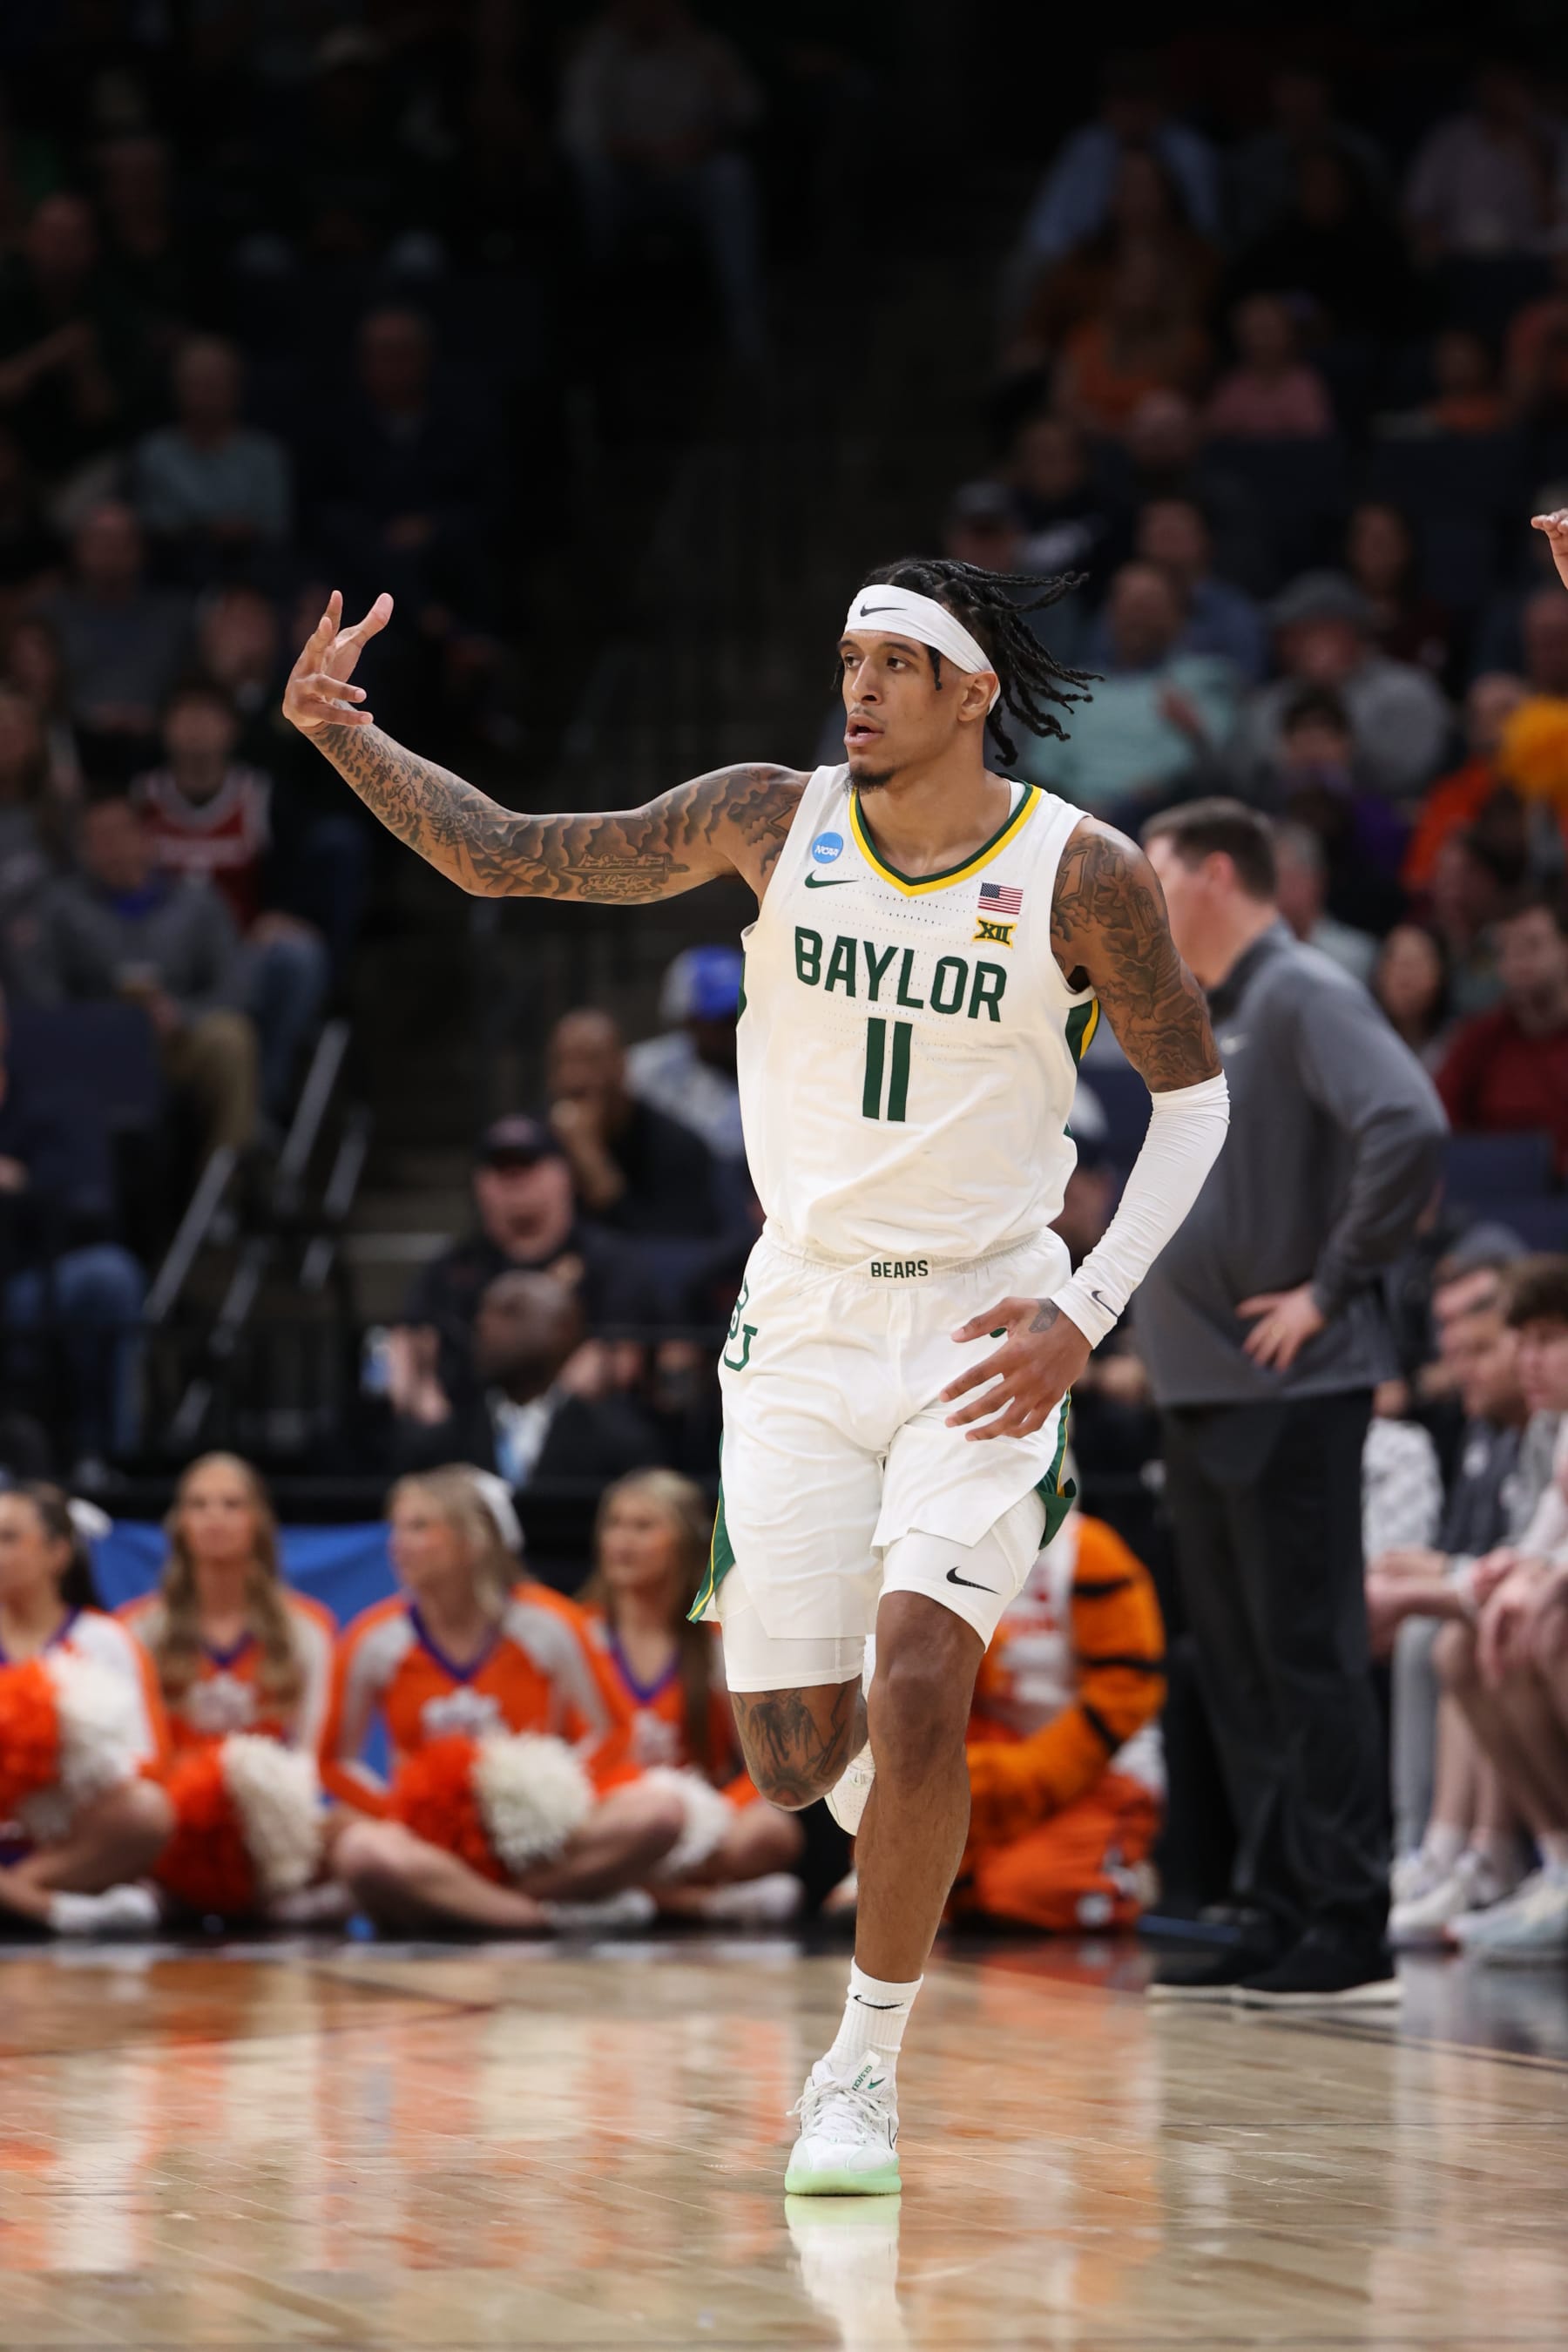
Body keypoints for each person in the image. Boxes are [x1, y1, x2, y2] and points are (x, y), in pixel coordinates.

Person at [281, 547, 1230, 2194]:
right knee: (794, 1758)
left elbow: (1196, 1101)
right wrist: (344, 737)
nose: (856, 687)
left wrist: (1088, 1313)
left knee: (922, 1679)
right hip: (798, 1322)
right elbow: (507, 854)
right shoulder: (766, 818)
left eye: (892, 664)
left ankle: (861, 2067)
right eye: (847, 658)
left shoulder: (1082, 871)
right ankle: (909, 1818)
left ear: (971, 692)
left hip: (986, 1326)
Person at [1137, 798, 1446, 2004]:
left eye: (1157, 871)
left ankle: (1348, 1920)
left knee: (1306, 1658)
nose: (1140, 893)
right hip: (1204, 1385)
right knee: (1238, 1664)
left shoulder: (1302, 990)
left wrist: (1329, 1288)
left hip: (1290, 1383)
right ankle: (1275, 1904)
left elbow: (1407, 1122)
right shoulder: (1206, 1003)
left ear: (1219, 874)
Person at [325, 1465, 684, 1931]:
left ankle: (463, 1904)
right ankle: (538, 1917)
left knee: (660, 1812)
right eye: (397, 1528)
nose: (398, 1544)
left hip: (535, 1839)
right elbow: (334, 1761)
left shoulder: (549, 1621)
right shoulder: (373, 1638)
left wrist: (552, 1804)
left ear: (472, 1541)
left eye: (419, 1527)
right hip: (427, 1839)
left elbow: (614, 1731)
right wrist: (401, 1811)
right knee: (360, 1849)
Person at [1365, 1278, 1530, 1942]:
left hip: (1532, 1606)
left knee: (1465, 1633)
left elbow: (1521, 1559)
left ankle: (1484, 1853)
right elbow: (1487, 1555)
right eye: (1456, 1353)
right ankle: (1431, 1853)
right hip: (1512, 1592)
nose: (1465, 1370)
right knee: (1453, 1632)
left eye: (1482, 1351)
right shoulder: (1489, 1431)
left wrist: (1429, 1580)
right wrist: (1434, 1571)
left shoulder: (1536, 1426)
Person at [581, 1469, 811, 1912]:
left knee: (773, 1832)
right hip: (603, 1815)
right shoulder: (575, 1632)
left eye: (643, 1526)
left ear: (686, 1541)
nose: (623, 1540)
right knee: (631, 1827)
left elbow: (765, 1767)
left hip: (693, 1824)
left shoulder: (716, 1641)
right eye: (614, 1524)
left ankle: (620, 1894)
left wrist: (711, 1815)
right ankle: (700, 1903)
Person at [1432, 1259, 1568, 1959]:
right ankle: (1557, 1860)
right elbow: (1546, 1532)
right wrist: (1513, 1572)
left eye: (1549, 1339)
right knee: (1467, 1641)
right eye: (1526, 1340)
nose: (1529, 1359)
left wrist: (1538, 1583)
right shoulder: (1557, 1427)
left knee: (1548, 1631)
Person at [955, 1507, 1165, 1933]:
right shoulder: (944, 1554)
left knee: (1021, 1894)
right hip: (994, 1759)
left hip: (1097, 1771)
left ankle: (1119, 1877)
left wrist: (1030, 1776)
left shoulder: (1087, 1551)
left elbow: (1129, 1692)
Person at [134, 679, 328, 1123]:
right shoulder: (139, 796)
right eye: (186, 716)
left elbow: (297, 872)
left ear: (233, 729)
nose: (197, 728)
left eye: (209, 716)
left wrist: (282, 913)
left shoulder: (260, 795)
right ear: (164, 727)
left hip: (240, 953)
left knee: (298, 956)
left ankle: (265, 1100)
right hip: (155, 955)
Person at [27, 794, 258, 1158]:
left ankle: (226, 1179)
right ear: (82, 851)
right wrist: (101, 1022)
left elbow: (236, 988)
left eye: (120, 832)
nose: (112, 847)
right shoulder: (60, 909)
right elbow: (43, 993)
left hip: (177, 1041)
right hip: (96, 1046)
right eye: (98, 838)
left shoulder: (197, 903)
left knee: (231, 1038)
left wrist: (180, 1015)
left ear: (146, 839)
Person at [396, 1114, 670, 1409]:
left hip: (584, 1419)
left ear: (564, 1175)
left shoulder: (609, 1262)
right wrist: (422, 1397)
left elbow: (626, 1357)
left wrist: (541, 1419)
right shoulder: (455, 1270)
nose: (516, 1185)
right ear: (479, 1184)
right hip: (472, 1418)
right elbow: (409, 1338)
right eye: (502, 1172)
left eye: (527, 1169)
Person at [0, 1484, 172, 1931]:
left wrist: (63, 1756)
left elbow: (147, 1760)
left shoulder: (106, 1640)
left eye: (9, 1538)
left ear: (58, 1553)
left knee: (147, 1809)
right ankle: (56, 1911)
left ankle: (18, 1892)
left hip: (67, 1834)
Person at [561, 0, 766, 360]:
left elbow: (749, 110)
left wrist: (706, 131)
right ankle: (597, 313)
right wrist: (648, 153)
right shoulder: (600, 53)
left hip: (690, 179)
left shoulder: (701, 47)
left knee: (730, 175)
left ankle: (745, 324)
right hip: (627, 183)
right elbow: (579, 135)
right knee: (592, 178)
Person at [0, 982, 145, 1469]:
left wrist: (23, 1185)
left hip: (24, 1282)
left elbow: (85, 1195)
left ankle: (103, 1454)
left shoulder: (51, 1105)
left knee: (109, 1276)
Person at [388, 1268, 664, 1509]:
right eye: (483, 1312)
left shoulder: (619, 1442)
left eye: (511, 1312)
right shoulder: (443, 1440)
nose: (485, 1324)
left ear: (564, 1328)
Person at [119, 1453, 335, 1755]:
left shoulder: (307, 1626)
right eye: (198, 1504)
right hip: (169, 1785)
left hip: (274, 1784)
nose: (214, 1516)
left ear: (258, 1520)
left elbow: (310, 1755)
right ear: (180, 1523)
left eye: (232, 1504)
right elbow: (130, 1750)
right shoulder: (137, 1628)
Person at [1024, 560, 1240, 819]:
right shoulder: (1070, 689)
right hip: (1076, 819)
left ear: (1177, 616)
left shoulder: (1204, 679)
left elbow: (1216, 765)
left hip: (1168, 817)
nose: (1138, 617)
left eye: (1150, 607)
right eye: (1129, 606)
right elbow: (1043, 769)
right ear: (1110, 615)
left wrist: (1195, 731)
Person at [1233, 571, 1452, 802]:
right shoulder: (1270, 701)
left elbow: (1413, 774)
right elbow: (1240, 775)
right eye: (1286, 636)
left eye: (1305, 633)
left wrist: (1340, 761)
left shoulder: (1405, 691)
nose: (1290, 646)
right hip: (1283, 817)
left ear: (1347, 632)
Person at [34, 504, 190, 771]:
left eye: (122, 539)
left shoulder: (175, 615)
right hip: (67, 749)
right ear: (77, 547)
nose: (111, 548)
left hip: (161, 751)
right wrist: (83, 719)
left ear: (141, 549)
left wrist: (161, 718)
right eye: (100, 537)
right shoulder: (49, 615)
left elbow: (195, 683)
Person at [545, 1006, 720, 1239]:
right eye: (562, 1062)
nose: (575, 1078)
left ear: (622, 1065)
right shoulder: (536, 1139)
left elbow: (671, 1246)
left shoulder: (676, 1146)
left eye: (591, 1061)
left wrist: (593, 1163)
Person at [130, 336, 292, 575]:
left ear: (237, 388)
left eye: (215, 383)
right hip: (174, 571)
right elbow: (154, 525)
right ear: (177, 388)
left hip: (255, 569)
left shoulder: (264, 454)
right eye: (196, 383)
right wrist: (207, 531)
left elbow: (274, 527)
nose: (205, 393)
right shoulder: (155, 453)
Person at [1436, 895, 1568, 1173]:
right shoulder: (1479, 1039)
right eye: (1506, 949)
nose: (1518, 959)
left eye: (1532, 945)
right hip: (1500, 1188)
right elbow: (1439, 1119)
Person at [1402, 674, 1527, 895]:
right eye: (1479, 714)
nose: (1489, 723)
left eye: (1503, 712)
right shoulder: (1449, 794)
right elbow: (1420, 876)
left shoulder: (1551, 789)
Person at [626, 945, 746, 1162]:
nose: (735, 1028)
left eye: (741, 1014)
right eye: (723, 1019)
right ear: (689, 1020)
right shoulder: (644, 1071)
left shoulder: (771, 1069)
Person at [1205, 294, 1334, 440]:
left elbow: (1316, 434)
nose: (1260, 341)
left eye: (1268, 330)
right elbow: (1214, 432)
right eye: (1252, 331)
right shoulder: (1231, 384)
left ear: (1289, 333)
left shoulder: (1306, 382)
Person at [1271, 820, 1378, 983]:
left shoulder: (1357, 957)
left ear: (1316, 880)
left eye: (1284, 878)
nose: (1274, 892)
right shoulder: (1250, 952)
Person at [1373, 924, 1452, 1070]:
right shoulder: (1361, 1037)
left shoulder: (1456, 1044)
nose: (1405, 978)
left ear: (1441, 975)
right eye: (1396, 963)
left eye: (1415, 964)